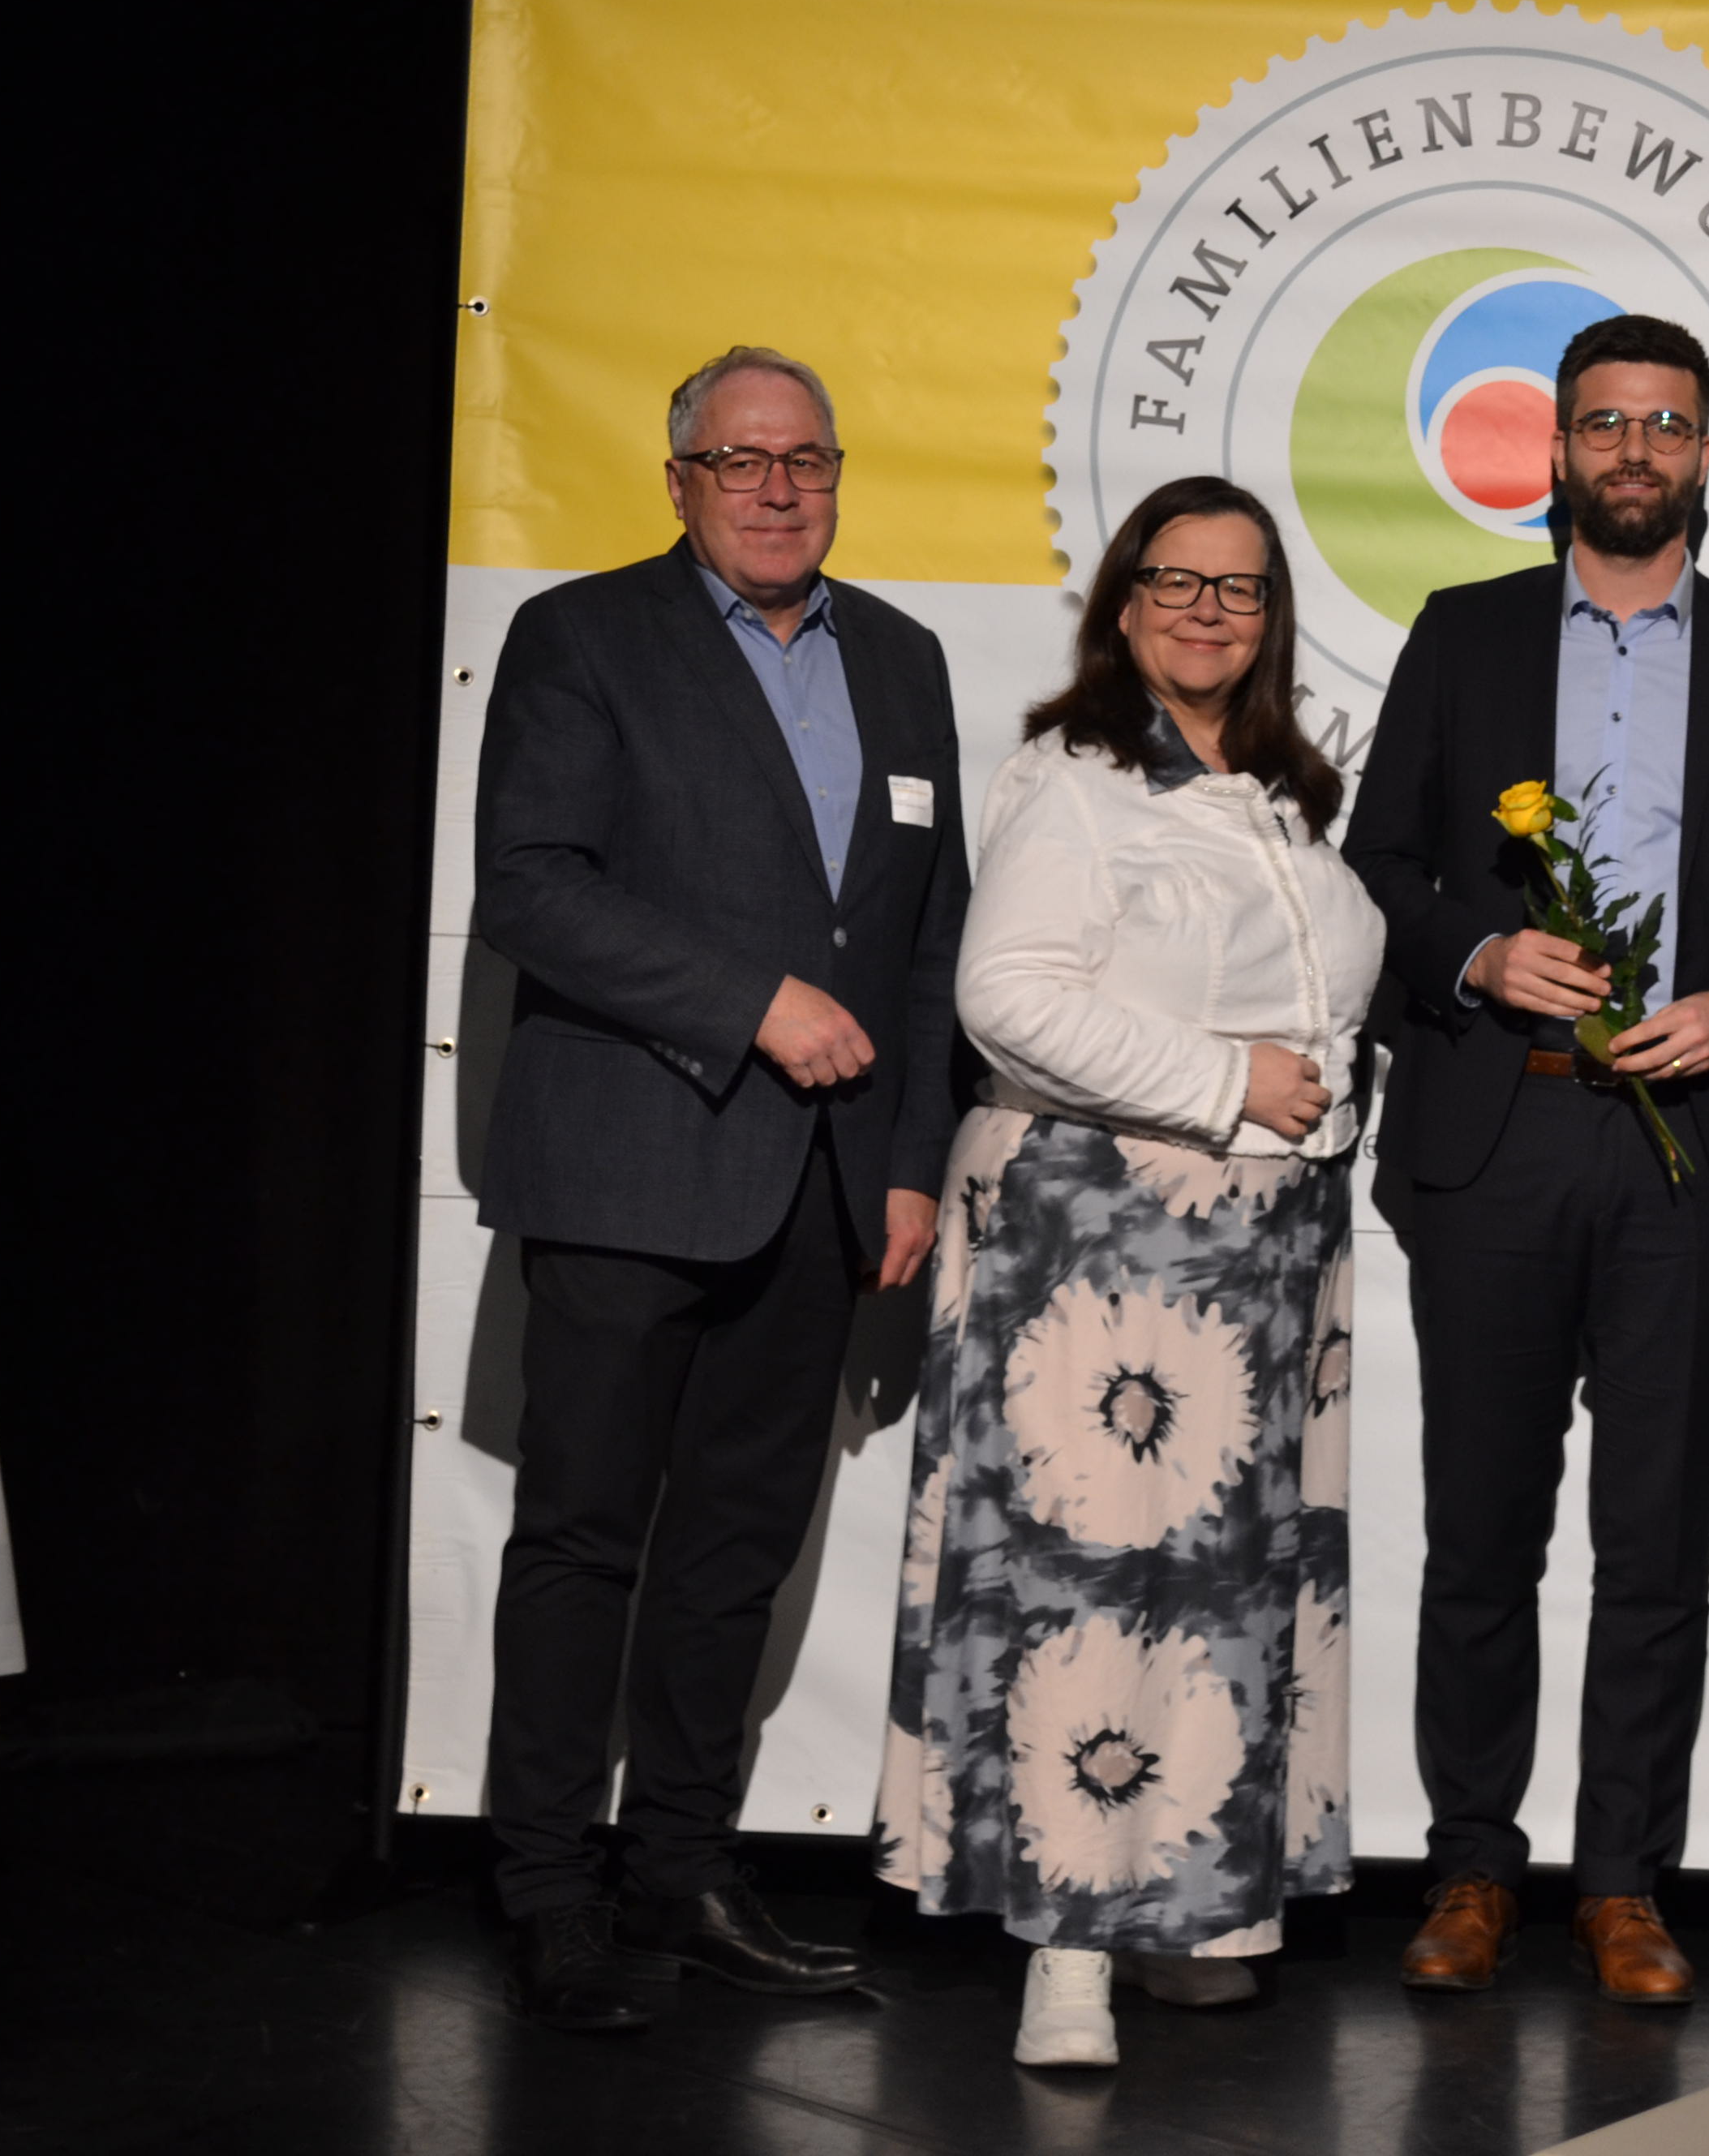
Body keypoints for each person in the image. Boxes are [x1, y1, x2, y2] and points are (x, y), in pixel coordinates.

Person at [471, 346, 968, 2031]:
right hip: (628, 1167)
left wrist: (911, 1165)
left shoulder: (900, 658)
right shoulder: (582, 637)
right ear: (679, 479)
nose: (776, 489)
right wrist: (748, 1002)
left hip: (824, 1192)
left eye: (804, 459)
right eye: (740, 461)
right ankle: (547, 1892)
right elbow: (532, 886)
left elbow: (928, 939)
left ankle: (678, 1872)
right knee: (582, 1543)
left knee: (734, 1554)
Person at [1342, 314, 1709, 2005]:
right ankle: (1473, 1866)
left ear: (1707, 455)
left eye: (1665, 425)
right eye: (1606, 423)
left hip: (1696, 1140)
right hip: (1500, 1129)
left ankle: (1624, 1883)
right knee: (1482, 1531)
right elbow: (1377, 867)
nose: (1635, 451)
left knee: (1655, 1543)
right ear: (1553, 452)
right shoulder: (1463, 634)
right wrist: (1481, 954)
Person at [877, 477, 1382, 2071]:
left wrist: (1307, 1101)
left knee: (1221, 1602)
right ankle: (1069, 1951)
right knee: (1088, 1594)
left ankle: (1188, 1915)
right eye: (1176, 581)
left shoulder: (1285, 787)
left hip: (1260, 1255)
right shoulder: (1079, 775)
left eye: (1240, 587)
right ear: (1121, 600)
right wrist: (1226, 1082)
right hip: (1101, 1238)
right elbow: (1006, 997)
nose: (1208, 611)